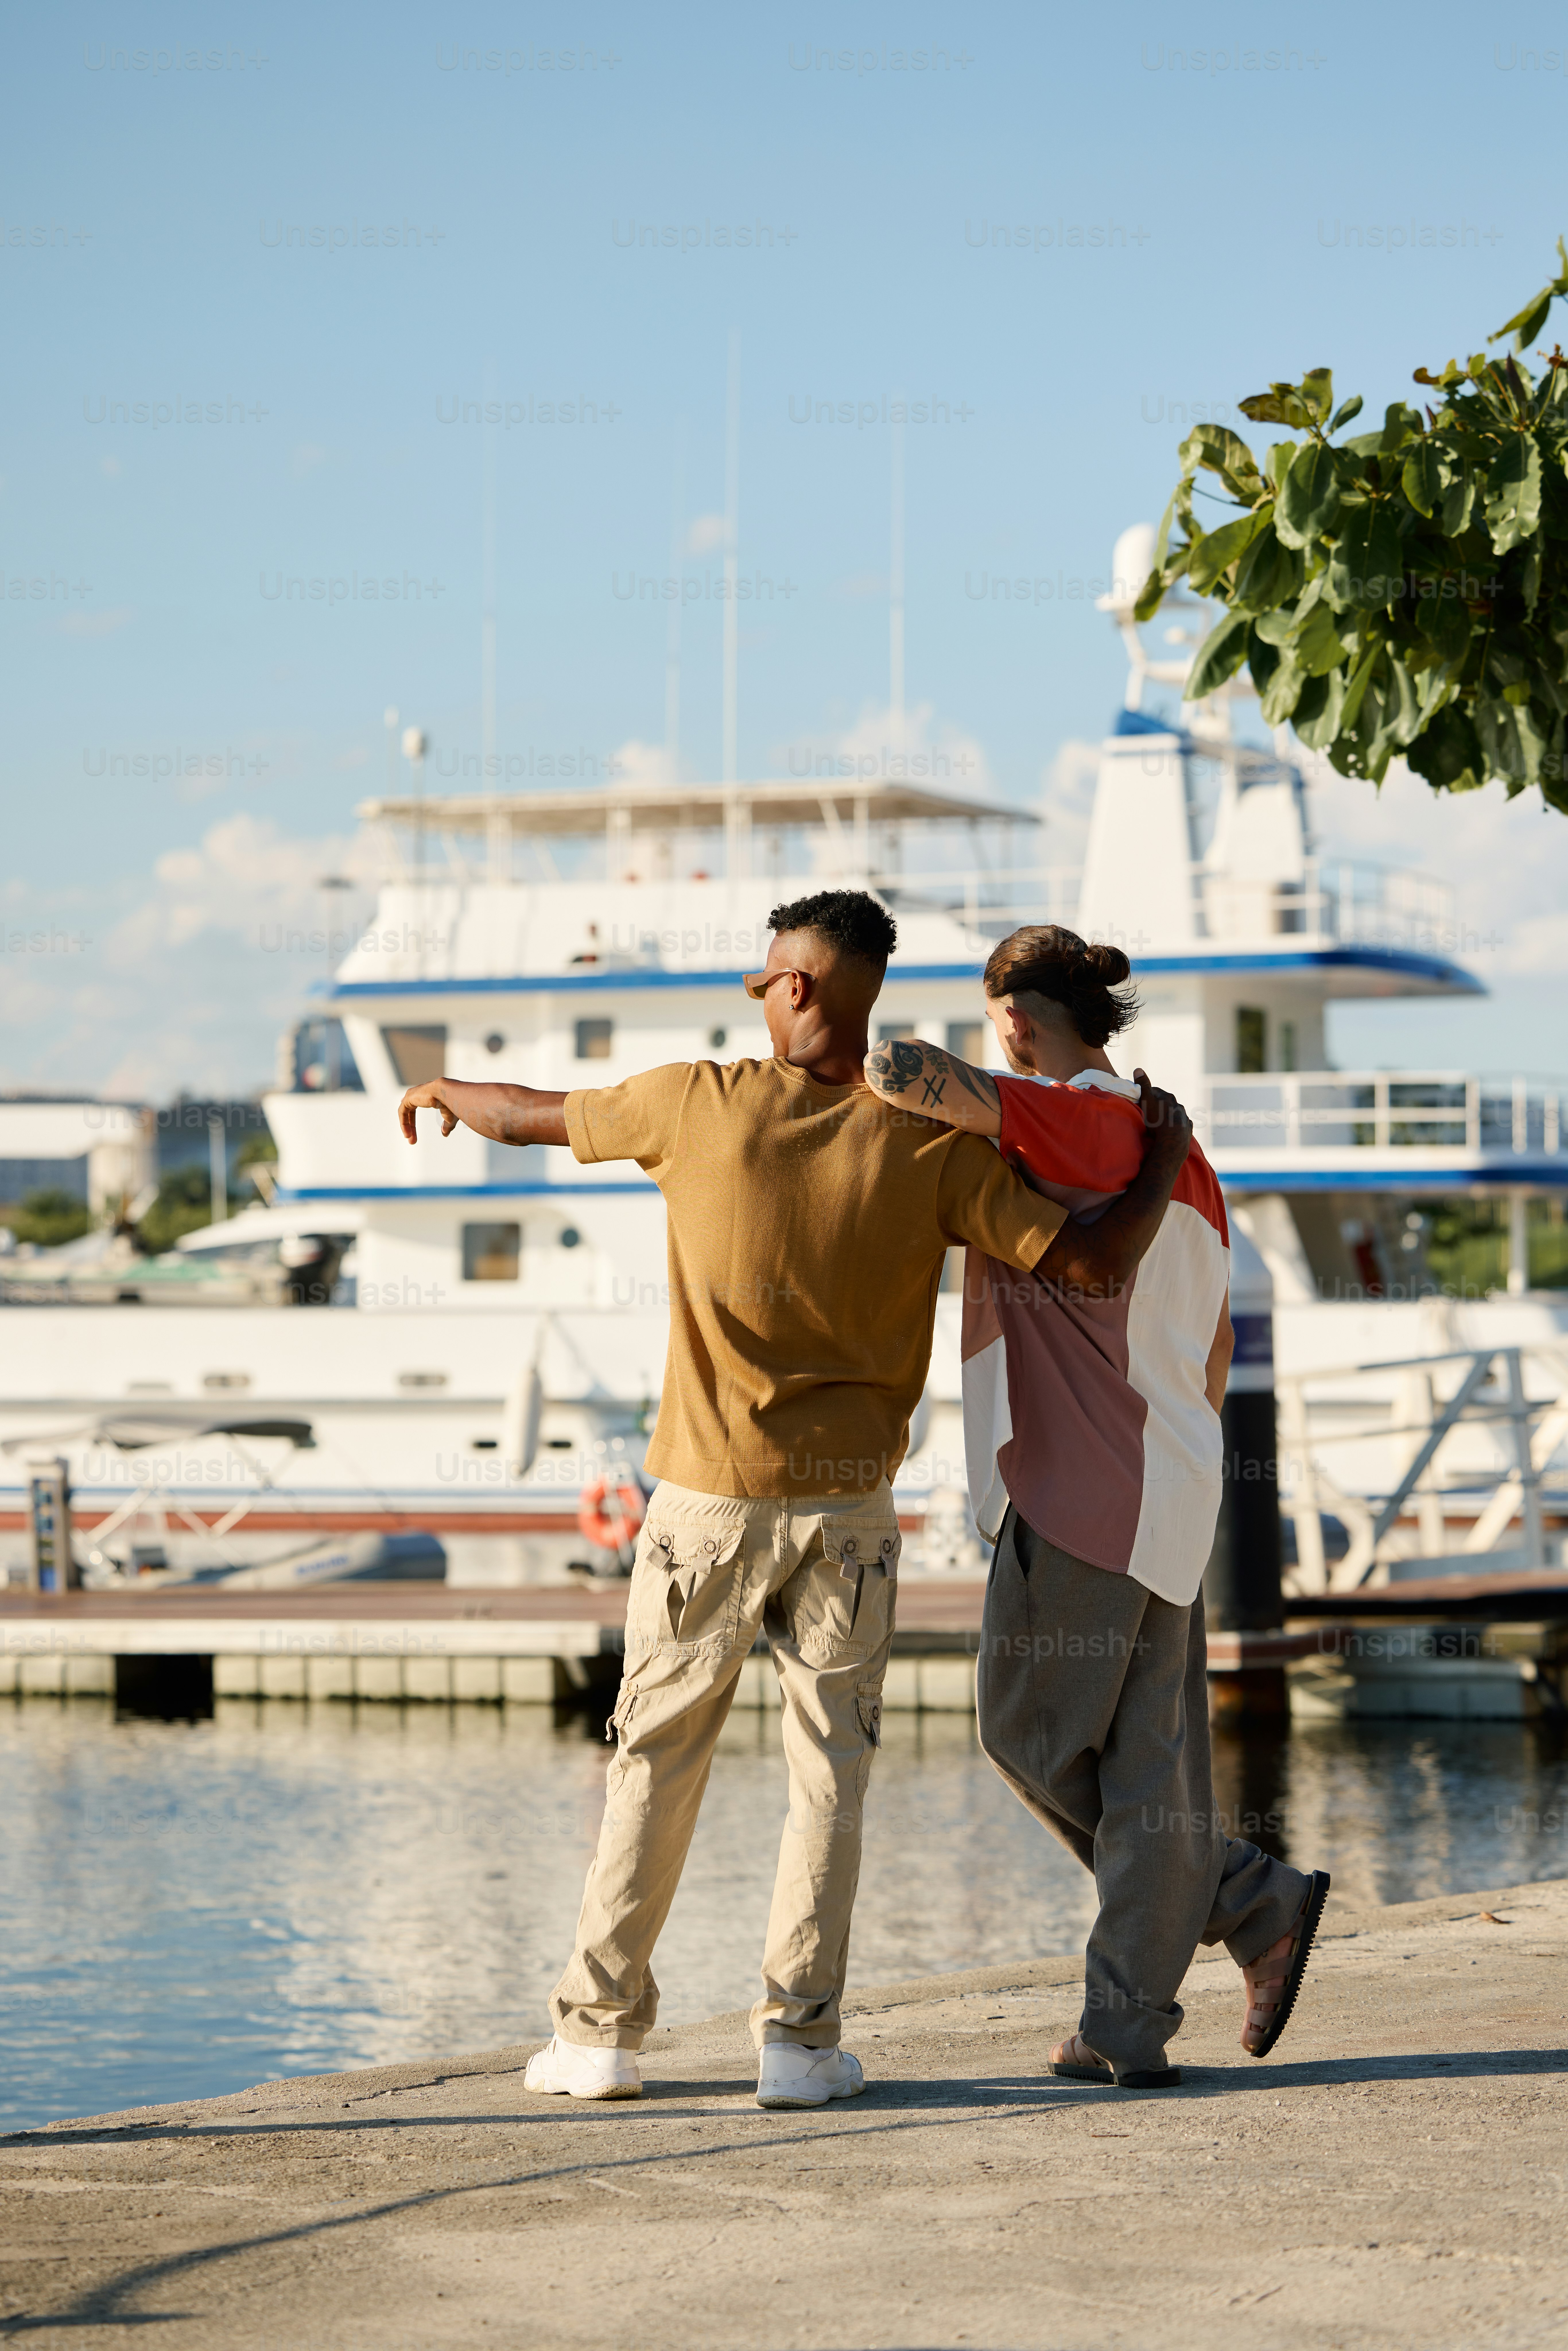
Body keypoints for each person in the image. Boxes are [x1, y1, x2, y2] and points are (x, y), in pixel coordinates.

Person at [397, 889, 1195, 2108]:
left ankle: (600, 2036)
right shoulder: (933, 1148)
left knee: (653, 1761)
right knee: (830, 1772)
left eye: (766, 974)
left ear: (804, 989)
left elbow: (529, 1118)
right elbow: (1091, 1266)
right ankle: (799, 2044)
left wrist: (445, 1089)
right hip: (851, 1514)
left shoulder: (692, 1104)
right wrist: (1163, 1160)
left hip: (706, 1505)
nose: (755, 992)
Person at [863, 923, 1329, 2088]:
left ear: (1017, 1015)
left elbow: (888, 1069)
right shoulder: (1190, 1159)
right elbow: (1215, 1344)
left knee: (1022, 1728)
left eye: (997, 1013)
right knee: (1150, 1761)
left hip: (1084, 1489)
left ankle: (1241, 1893)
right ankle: (1130, 2019)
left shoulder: (1079, 1117)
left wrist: (982, 1074)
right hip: (1176, 1480)